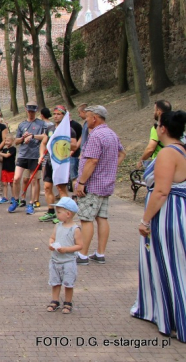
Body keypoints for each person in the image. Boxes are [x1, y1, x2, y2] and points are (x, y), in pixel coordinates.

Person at [131, 110, 186, 342]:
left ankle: (174, 318)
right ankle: (162, 312)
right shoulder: (183, 149)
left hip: (168, 214)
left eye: (158, 124)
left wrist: (145, 220)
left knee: (170, 265)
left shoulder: (168, 154)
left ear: (162, 128)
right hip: (178, 210)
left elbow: (162, 191)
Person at [74, 105, 126, 265]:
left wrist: (81, 182)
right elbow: (122, 153)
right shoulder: (111, 133)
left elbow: (92, 160)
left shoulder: (96, 135)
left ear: (94, 118)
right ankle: (100, 253)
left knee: (86, 219)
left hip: (93, 185)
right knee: (102, 217)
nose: (86, 120)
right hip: (106, 184)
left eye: (87, 117)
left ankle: (82, 255)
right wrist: (110, 168)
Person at [39, 105, 78, 223]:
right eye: (54, 114)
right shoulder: (49, 128)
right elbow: (43, 143)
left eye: (59, 114)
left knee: (61, 189)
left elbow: (75, 145)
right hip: (50, 162)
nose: (56, 116)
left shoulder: (69, 130)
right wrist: (41, 155)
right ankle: (51, 211)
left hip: (61, 164)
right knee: (47, 187)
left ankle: (64, 213)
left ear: (64, 116)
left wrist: (63, 141)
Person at [8, 101, 48, 214]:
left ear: (36, 111)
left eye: (33, 111)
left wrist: (33, 136)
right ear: (26, 110)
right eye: (29, 111)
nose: (31, 113)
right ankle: (16, 200)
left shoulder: (41, 124)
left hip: (35, 155)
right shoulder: (22, 125)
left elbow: (45, 137)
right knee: (16, 178)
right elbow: (16, 141)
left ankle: (31, 203)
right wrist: (23, 138)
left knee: (34, 180)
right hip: (23, 155)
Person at [46, 197, 82, 314]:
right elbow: (52, 237)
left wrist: (66, 249)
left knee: (68, 283)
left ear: (68, 214)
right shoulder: (58, 226)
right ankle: (55, 300)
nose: (57, 214)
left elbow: (79, 245)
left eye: (59, 212)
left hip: (68, 261)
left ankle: (68, 302)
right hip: (55, 260)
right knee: (55, 282)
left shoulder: (75, 229)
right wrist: (51, 243)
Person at [136, 99, 172, 169]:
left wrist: (141, 160)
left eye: (154, 110)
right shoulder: (176, 124)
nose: (153, 112)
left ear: (158, 112)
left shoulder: (158, 127)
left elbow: (150, 149)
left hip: (161, 162)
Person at [0, 135, 16, 206]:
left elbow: (7, 156)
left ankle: (14, 197)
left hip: (11, 169)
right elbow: (3, 159)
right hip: (4, 169)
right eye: (5, 141)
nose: (6, 142)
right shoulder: (4, 150)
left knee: (12, 184)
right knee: (4, 184)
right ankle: (5, 197)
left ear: (12, 141)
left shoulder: (13, 149)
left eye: (8, 141)